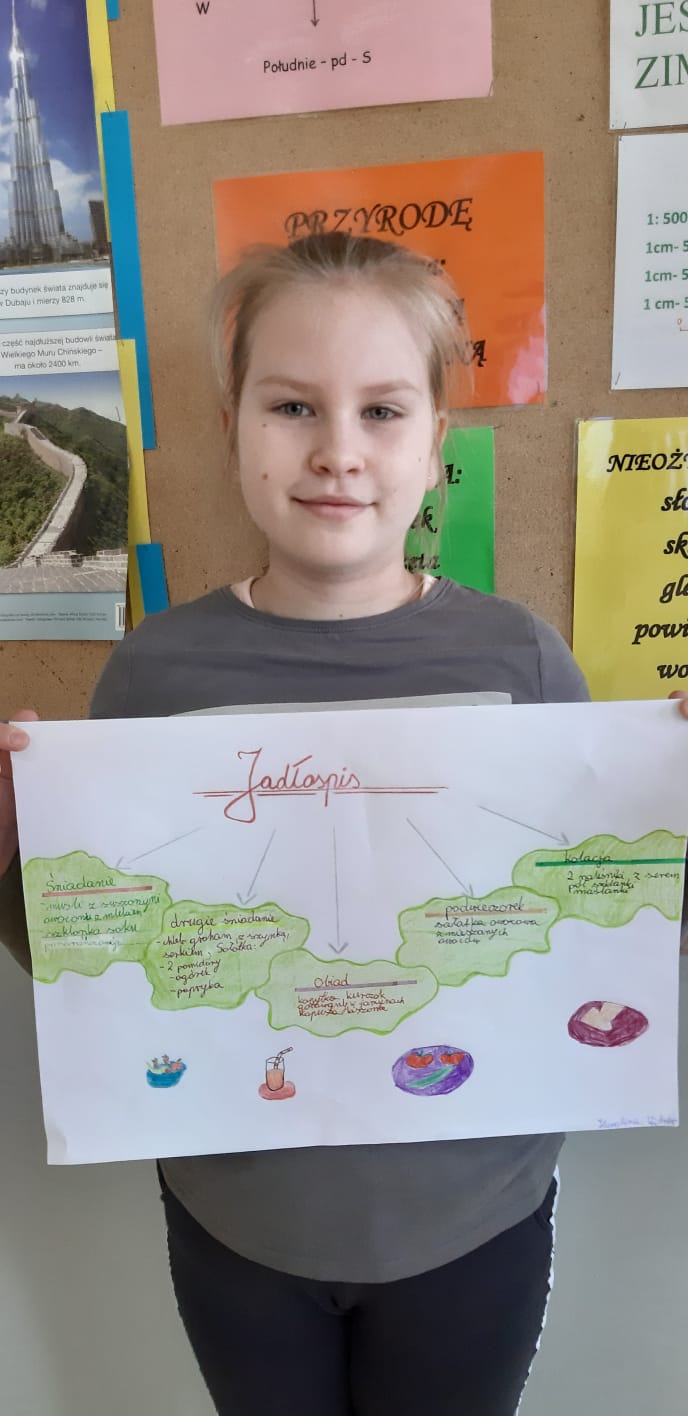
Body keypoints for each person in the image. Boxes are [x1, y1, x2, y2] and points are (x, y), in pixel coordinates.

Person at [1, 232, 686, 1416]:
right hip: (238, 1212)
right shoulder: (155, 673)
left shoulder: (519, 659)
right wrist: (15, 850)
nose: (336, 451)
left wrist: (663, 828)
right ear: (231, 427)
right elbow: (100, 962)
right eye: (291, 407)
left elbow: (600, 939)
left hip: (474, 1213)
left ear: (434, 440)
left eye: (381, 409)